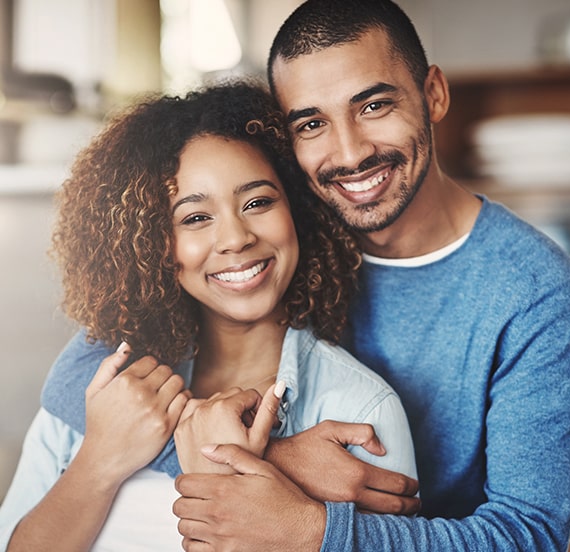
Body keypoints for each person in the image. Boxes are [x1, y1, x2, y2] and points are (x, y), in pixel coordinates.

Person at [172, 0, 570, 550]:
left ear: (434, 95)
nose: (349, 153)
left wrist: (313, 529)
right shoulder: (275, 244)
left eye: (373, 105)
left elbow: (528, 537)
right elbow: (100, 391)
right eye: (312, 123)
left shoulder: (538, 292)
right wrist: (278, 459)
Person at [0, 80, 418, 551]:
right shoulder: (103, 387)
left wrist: (233, 466)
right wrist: (98, 460)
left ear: (298, 209)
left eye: (258, 202)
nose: (236, 237)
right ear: (152, 242)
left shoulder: (358, 413)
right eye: (195, 218)